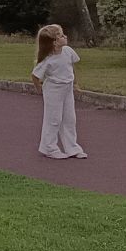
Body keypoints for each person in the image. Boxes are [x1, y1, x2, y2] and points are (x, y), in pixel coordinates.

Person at [32, 23, 88, 159]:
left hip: (67, 88)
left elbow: (71, 67)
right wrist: (39, 88)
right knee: (54, 119)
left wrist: (75, 83)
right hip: (53, 90)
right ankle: (49, 148)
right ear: (54, 42)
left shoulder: (68, 51)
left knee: (70, 119)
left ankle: (72, 148)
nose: (65, 37)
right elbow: (35, 76)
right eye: (61, 36)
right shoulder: (47, 60)